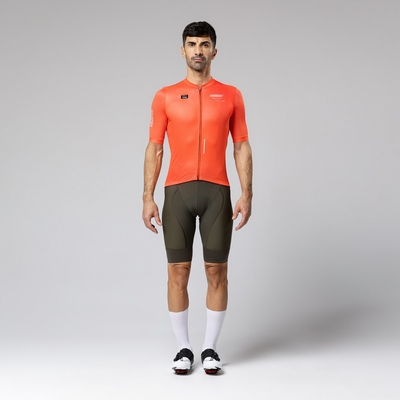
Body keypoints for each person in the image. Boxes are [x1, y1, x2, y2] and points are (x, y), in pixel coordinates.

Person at [142, 21, 253, 374]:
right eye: (192, 44)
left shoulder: (231, 95)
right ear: (183, 51)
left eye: (204, 44)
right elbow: (155, 148)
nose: (198, 51)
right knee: (178, 271)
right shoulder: (165, 96)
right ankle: (183, 349)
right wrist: (147, 197)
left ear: (214, 51)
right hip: (177, 192)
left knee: (217, 271)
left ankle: (209, 349)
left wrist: (247, 193)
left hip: (217, 191)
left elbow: (241, 146)